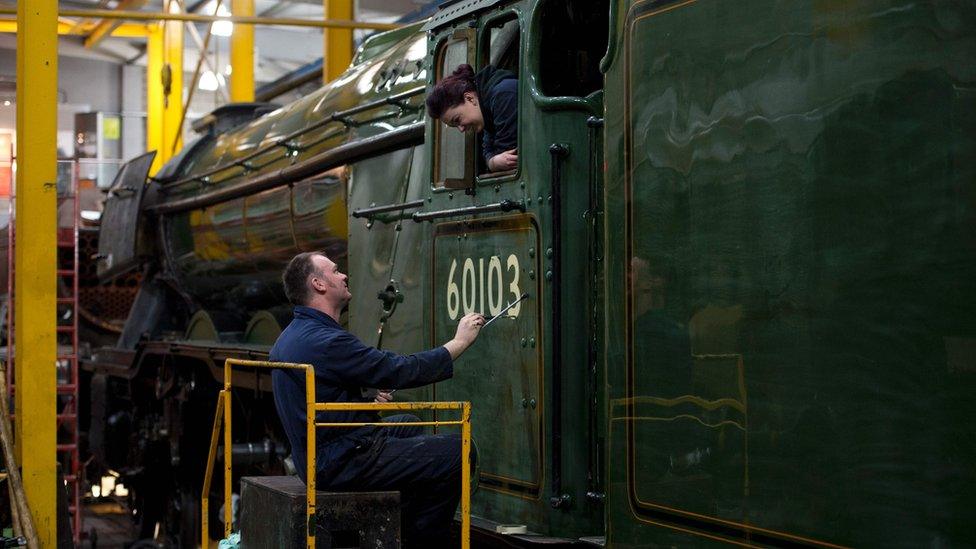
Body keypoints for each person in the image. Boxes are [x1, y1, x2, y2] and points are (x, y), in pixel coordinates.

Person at [270, 251, 485, 547]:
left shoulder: (294, 335)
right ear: (318, 284)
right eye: (335, 271)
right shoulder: (328, 340)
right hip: (341, 460)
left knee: (408, 423)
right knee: (458, 450)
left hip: (319, 455)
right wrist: (458, 343)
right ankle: (418, 540)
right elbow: (397, 370)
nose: (343, 275)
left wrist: (364, 397)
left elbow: (322, 389)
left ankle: (399, 521)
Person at [426, 63, 518, 172]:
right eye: (455, 126)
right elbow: (488, 151)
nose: (461, 129)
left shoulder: (503, 95)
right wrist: (492, 163)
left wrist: (493, 162)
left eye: (457, 120)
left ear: (469, 98)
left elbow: (509, 155)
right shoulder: (486, 113)